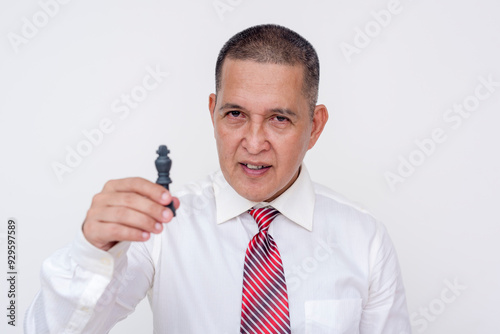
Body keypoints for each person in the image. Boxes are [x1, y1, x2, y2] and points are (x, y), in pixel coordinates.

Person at [25, 24, 411, 333]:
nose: (254, 143)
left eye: (280, 119)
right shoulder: (160, 229)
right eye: (235, 115)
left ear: (315, 127)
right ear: (213, 113)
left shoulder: (366, 241)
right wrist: (92, 253)